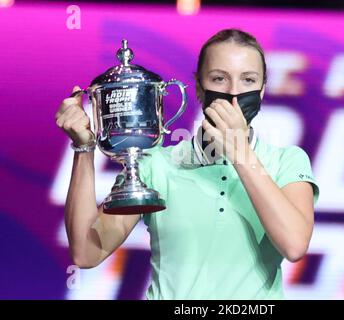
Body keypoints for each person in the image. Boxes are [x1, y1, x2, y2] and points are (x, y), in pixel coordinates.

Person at [55, 28, 319, 300]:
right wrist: (83, 148)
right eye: (219, 78)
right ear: (198, 88)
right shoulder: (157, 164)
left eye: (248, 80)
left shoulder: (287, 161)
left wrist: (241, 153)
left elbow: (294, 245)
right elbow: (87, 252)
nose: (233, 93)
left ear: (262, 90)